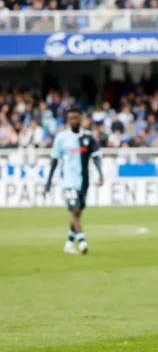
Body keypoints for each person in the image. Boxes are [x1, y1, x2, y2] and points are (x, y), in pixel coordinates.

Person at [44, 108, 104, 255]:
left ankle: (69, 243)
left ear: (80, 119)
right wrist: (48, 182)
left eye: (76, 118)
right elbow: (54, 161)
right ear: (68, 120)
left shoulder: (88, 137)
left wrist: (100, 174)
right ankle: (82, 241)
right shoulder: (61, 138)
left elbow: (96, 157)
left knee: (77, 213)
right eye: (71, 119)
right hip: (69, 181)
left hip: (84, 181)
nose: (74, 121)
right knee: (75, 209)